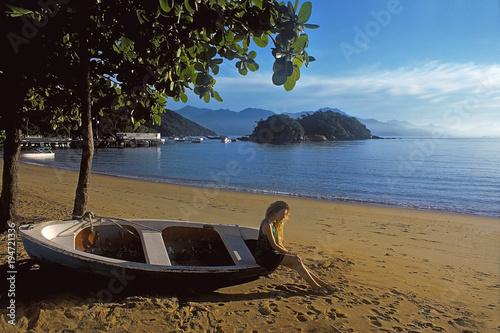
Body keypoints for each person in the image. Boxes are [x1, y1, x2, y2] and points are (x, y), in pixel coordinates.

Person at [254, 200, 336, 295]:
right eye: (282, 214)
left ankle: (322, 284)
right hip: (265, 258)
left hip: (272, 254)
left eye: (284, 214)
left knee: (298, 262)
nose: (284, 217)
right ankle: (316, 287)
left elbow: (278, 244)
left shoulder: (274, 223)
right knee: (296, 261)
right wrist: (289, 253)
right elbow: (274, 245)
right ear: (274, 212)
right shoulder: (267, 224)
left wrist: (291, 254)